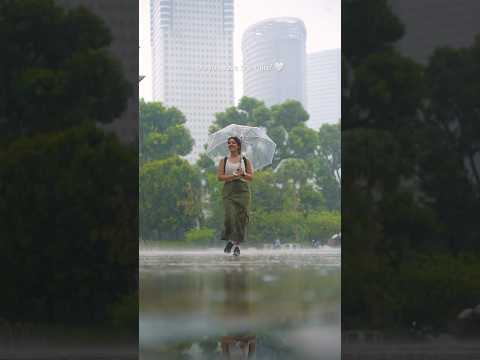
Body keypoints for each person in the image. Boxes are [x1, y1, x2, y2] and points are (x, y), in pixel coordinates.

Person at [217, 136, 254, 256]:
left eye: (233, 143)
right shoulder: (224, 160)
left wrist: (242, 173)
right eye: (229, 143)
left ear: (238, 145)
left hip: (243, 191)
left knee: (241, 219)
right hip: (229, 190)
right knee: (230, 217)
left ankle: (235, 245)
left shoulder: (245, 160)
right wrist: (232, 176)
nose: (230, 144)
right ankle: (230, 239)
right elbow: (220, 177)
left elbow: (251, 177)